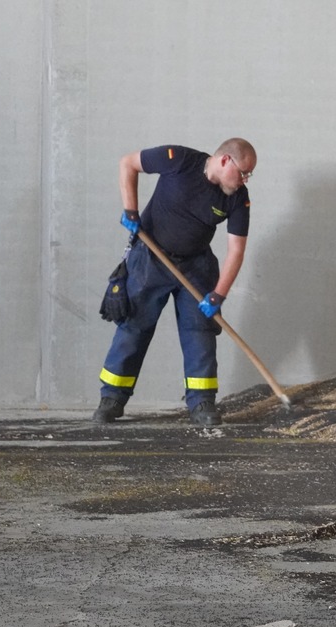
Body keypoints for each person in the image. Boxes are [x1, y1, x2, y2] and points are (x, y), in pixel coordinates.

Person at [92, 138, 256, 426]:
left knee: (200, 333)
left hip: (196, 265)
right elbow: (128, 163)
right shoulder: (178, 160)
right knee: (134, 327)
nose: (244, 180)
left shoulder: (237, 198)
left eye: (248, 175)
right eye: (243, 172)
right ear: (224, 161)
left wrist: (219, 295)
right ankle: (111, 399)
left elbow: (236, 251)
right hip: (151, 257)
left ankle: (202, 403)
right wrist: (131, 210)